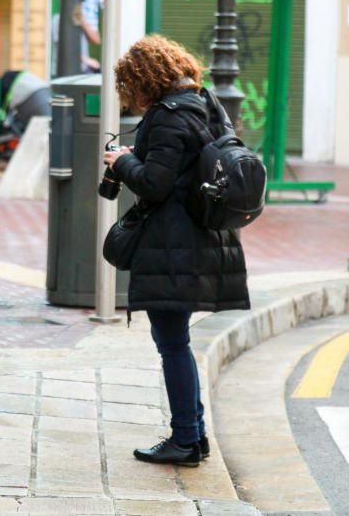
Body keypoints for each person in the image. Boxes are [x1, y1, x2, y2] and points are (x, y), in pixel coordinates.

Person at [102, 35, 249, 467]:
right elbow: (181, 168)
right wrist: (139, 158)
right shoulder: (204, 103)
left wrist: (123, 163)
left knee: (172, 344)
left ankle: (185, 439)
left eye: (130, 84)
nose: (130, 94)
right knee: (176, 341)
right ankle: (194, 436)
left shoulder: (167, 117)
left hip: (174, 244)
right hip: (200, 237)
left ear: (143, 79)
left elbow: (155, 184)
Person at [51, 0, 102, 75]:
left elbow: (96, 40)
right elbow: (65, 49)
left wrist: (83, 21)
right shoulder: (58, 20)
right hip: (63, 72)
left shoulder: (81, 21)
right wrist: (86, 60)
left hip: (81, 71)